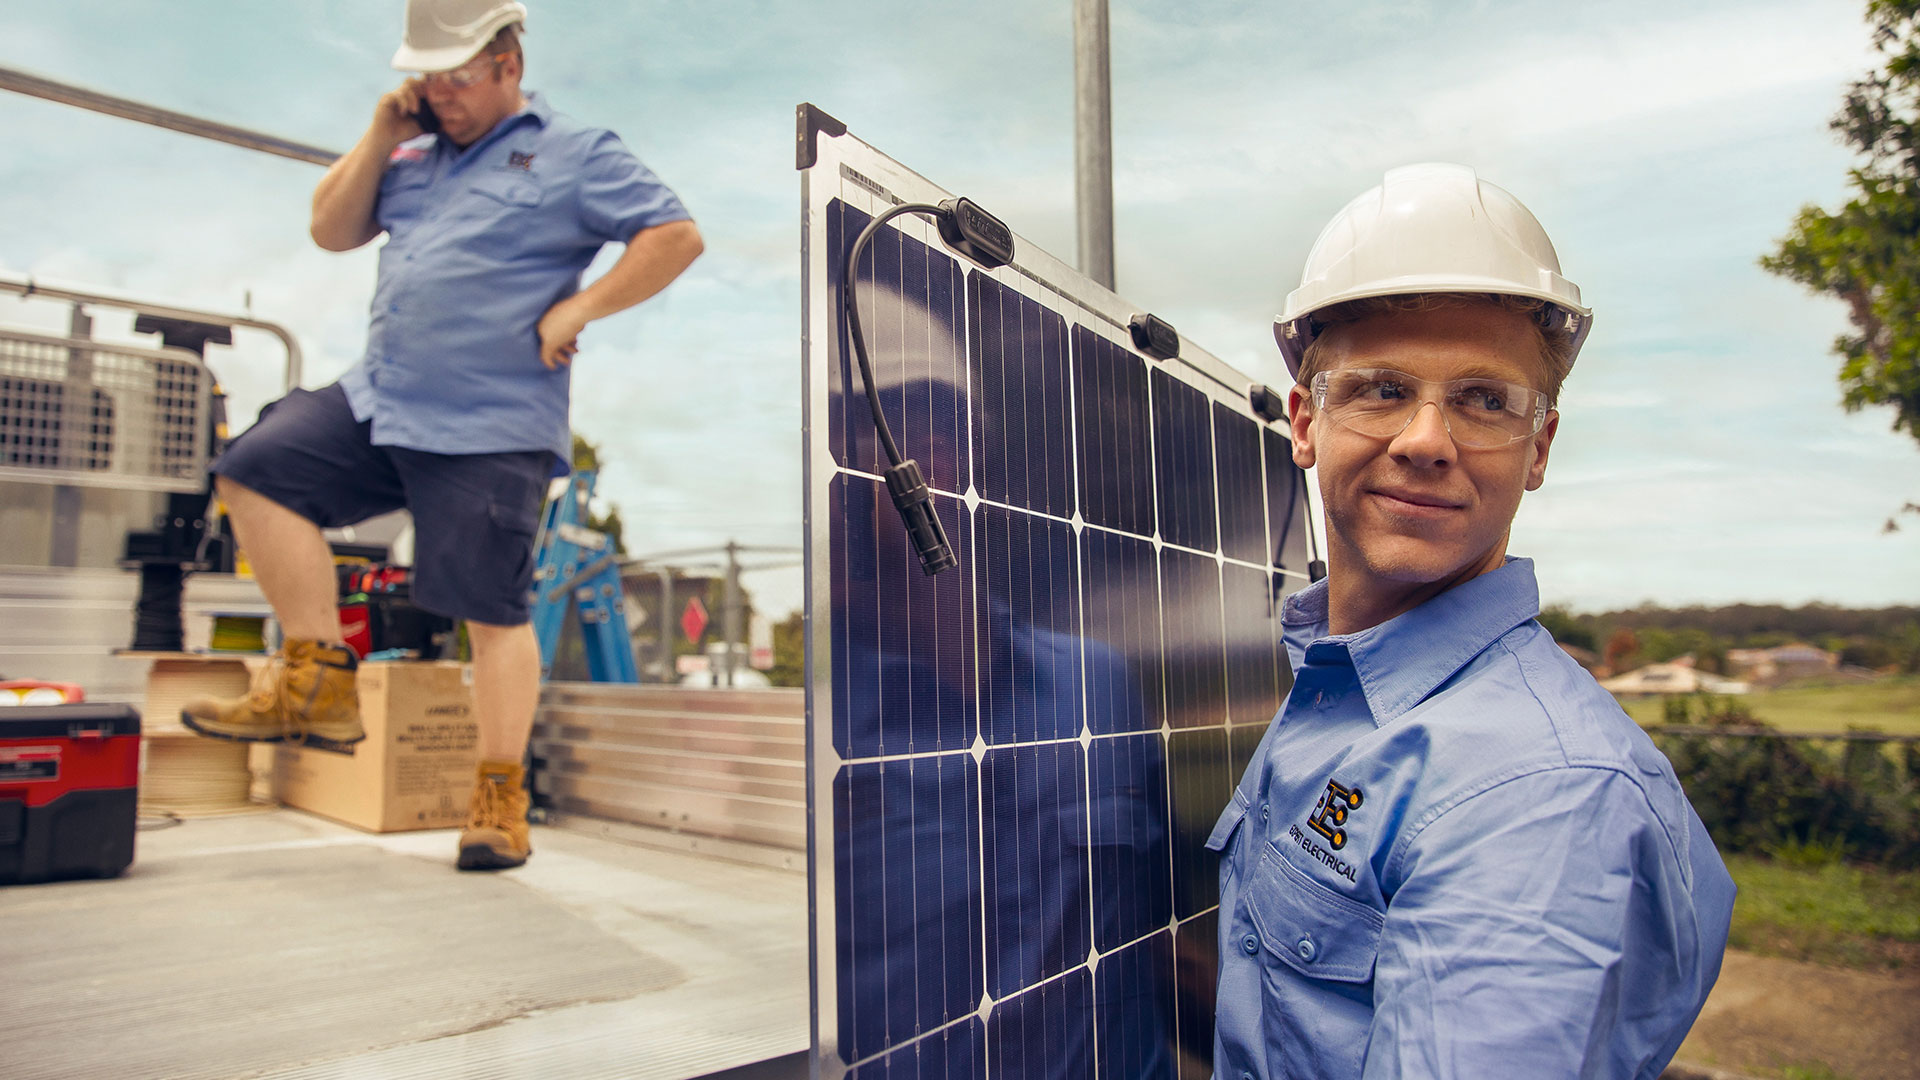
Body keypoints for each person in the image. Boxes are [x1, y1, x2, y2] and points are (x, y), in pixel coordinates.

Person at [1207, 163, 1734, 1078]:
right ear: (1304, 422)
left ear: (1539, 449)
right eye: (1380, 388)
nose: (1424, 441)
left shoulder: (1541, 799)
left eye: (1485, 401)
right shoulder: (1340, 696)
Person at [180, 0, 702, 872]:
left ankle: (499, 799)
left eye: (455, 77)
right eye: (423, 76)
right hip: (381, 399)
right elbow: (330, 229)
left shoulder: (576, 151)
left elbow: (675, 234)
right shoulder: (413, 148)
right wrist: (383, 128)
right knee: (255, 469)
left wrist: (580, 305)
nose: (438, 93)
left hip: (490, 421)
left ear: (507, 64)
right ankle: (317, 676)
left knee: (489, 615)